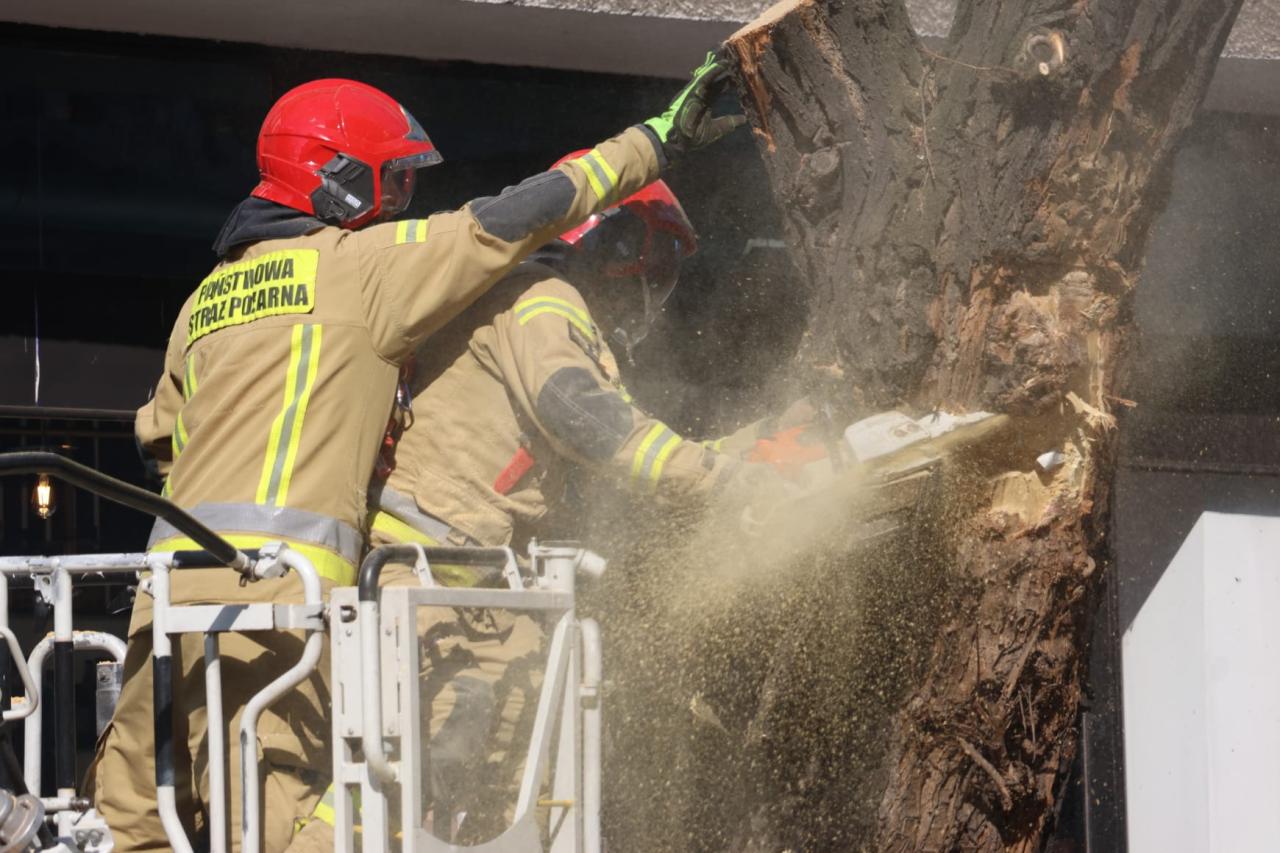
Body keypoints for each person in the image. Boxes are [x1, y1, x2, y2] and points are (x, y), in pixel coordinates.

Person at [94, 53, 744, 853]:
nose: (398, 200)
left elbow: (159, 441)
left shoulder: (202, 302)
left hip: (162, 609)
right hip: (272, 613)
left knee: (141, 822)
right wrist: (658, 138)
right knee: (276, 826)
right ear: (337, 181)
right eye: (391, 181)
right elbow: (510, 221)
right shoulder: (361, 273)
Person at [289, 159, 802, 848]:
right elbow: (588, 421)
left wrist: (749, 448)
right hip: (438, 594)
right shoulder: (543, 297)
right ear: (608, 245)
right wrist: (725, 482)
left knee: (457, 786)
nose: (654, 287)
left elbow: (618, 443)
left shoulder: (508, 301)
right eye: (652, 259)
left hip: (454, 592)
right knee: (412, 786)